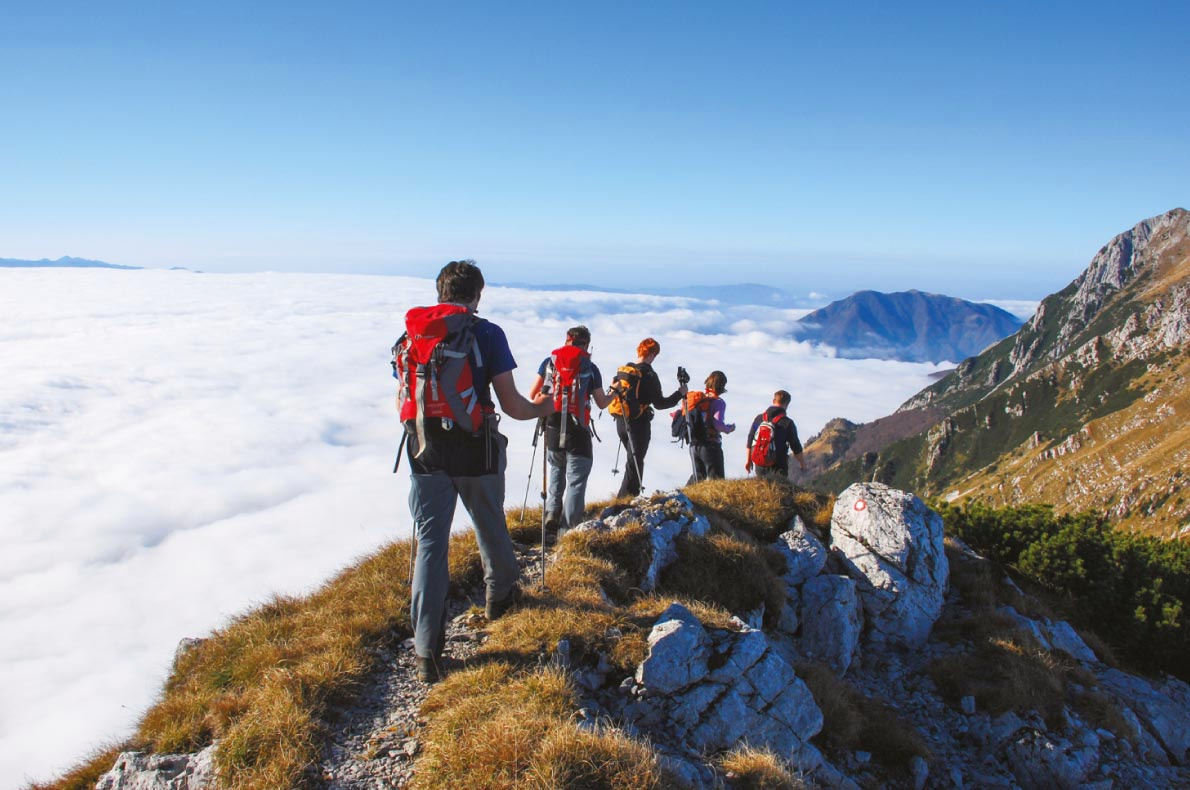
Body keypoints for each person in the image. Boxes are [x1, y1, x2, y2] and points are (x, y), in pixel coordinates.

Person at [400, 260, 553, 683]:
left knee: (431, 543)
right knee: (489, 524)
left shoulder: (410, 336)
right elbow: (514, 406)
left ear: (438, 292)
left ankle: (427, 651)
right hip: (476, 449)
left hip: (423, 450)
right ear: (477, 295)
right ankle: (499, 599)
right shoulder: (487, 333)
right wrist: (548, 406)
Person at [528, 326, 614, 531]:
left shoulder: (549, 362)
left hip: (552, 426)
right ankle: (568, 529)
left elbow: (534, 395)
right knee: (576, 480)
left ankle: (551, 513)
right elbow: (602, 402)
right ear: (585, 344)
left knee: (557, 468)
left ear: (567, 340)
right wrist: (616, 392)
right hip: (578, 431)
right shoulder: (589, 367)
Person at [608, 338, 687, 497]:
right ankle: (624, 500)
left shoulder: (626, 369)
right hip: (638, 424)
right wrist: (680, 393)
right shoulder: (650, 374)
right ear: (653, 354)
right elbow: (660, 404)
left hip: (620, 421)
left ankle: (631, 496)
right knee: (635, 461)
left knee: (633, 461)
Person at [744, 390, 807, 479]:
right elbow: (795, 445)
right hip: (778, 465)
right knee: (779, 491)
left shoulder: (759, 419)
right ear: (787, 405)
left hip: (760, 462)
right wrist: (802, 463)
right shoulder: (788, 423)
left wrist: (748, 460)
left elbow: (750, 439)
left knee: (761, 489)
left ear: (773, 401)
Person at [687, 370, 735, 482]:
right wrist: (729, 428)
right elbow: (718, 424)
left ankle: (683, 497)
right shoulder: (718, 402)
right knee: (717, 480)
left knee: (698, 477)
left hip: (694, 444)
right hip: (711, 445)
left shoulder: (698, 399)